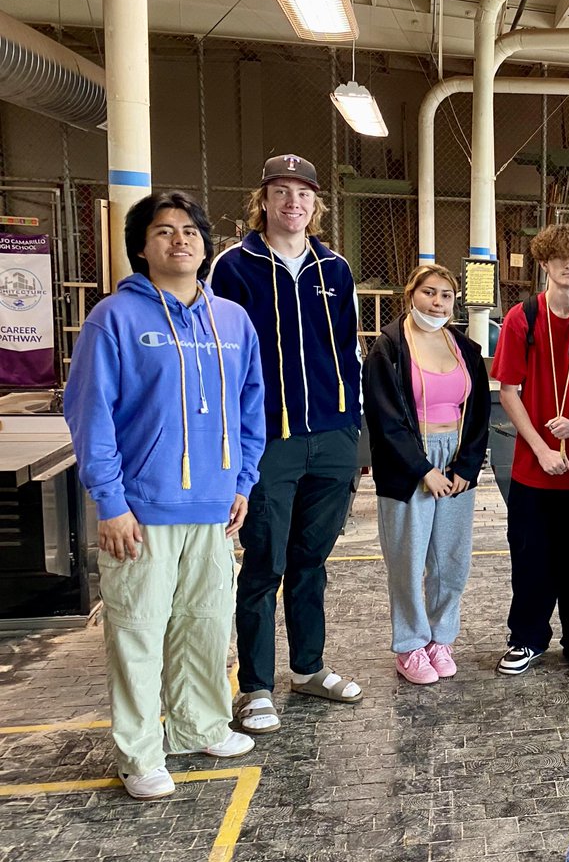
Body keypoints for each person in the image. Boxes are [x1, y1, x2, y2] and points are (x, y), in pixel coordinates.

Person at [64, 192, 265, 799]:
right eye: (163, 231)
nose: (180, 241)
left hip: (214, 508)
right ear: (141, 247)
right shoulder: (113, 318)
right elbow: (90, 414)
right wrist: (111, 501)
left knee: (205, 627)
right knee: (138, 631)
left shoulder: (232, 320)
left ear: (205, 245)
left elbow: (250, 406)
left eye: (190, 231)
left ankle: (201, 724)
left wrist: (242, 480)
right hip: (141, 512)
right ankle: (139, 752)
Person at [209, 154, 364, 734]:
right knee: (263, 563)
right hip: (267, 440)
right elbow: (223, 358)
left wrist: (352, 427)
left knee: (311, 562)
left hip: (331, 436)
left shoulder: (335, 269)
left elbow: (347, 350)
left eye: (303, 193)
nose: (293, 202)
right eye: (281, 191)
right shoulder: (233, 267)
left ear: (315, 204)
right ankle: (254, 686)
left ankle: (308, 668)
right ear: (265, 199)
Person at [490, 224, 569, 675]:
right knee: (531, 557)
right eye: (560, 258)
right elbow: (508, 390)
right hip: (534, 467)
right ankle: (526, 638)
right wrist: (542, 449)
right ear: (544, 263)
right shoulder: (522, 318)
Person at [363, 264, 491, 684]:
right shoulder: (389, 348)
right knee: (408, 559)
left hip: (454, 460)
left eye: (446, 296)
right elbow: (385, 419)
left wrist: (465, 466)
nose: (437, 302)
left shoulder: (465, 349)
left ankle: (441, 638)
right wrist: (423, 470)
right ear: (411, 294)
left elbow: (478, 415)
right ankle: (410, 645)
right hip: (409, 465)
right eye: (429, 293)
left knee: (451, 561)